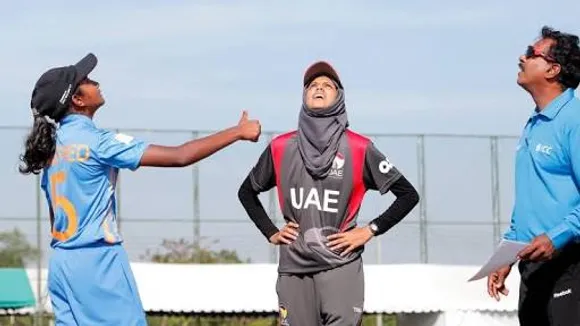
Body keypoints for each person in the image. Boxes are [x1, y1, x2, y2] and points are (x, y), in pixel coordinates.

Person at [19, 53, 261, 325]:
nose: (95, 81)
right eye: (86, 80)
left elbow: (55, 218)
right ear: (77, 100)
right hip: (97, 262)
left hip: (62, 263)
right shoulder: (97, 141)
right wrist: (237, 132)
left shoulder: (50, 150)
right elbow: (180, 156)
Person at [238, 60, 420, 326]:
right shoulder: (280, 146)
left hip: (340, 266)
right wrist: (271, 231)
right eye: (312, 85)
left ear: (339, 97)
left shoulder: (359, 147)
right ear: (304, 96)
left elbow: (408, 195)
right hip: (294, 269)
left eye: (327, 85)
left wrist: (369, 231)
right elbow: (246, 192)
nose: (318, 89)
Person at [487, 26, 580, 325]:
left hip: (569, 266)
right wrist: (507, 255)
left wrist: (556, 237)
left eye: (531, 53)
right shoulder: (534, 123)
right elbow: (529, 200)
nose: (521, 57)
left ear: (553, 69)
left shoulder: (574, 121)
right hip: (532, 269)